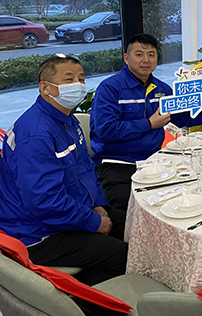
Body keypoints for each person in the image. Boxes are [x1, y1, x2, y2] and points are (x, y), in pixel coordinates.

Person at [0, 54, 127, 285]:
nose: (77, 85)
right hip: (38, 231)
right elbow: (44, 202)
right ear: (45, 88)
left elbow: (85, 168)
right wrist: (93, 222)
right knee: (123, 256)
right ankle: (76, 298)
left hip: (71, 211)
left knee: (135, 227)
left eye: (81, 79)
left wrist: (97, 204)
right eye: (69, 79)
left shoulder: (65, 118)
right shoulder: (36, 134)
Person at [91, 34, 202, 211]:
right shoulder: (109, 88)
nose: (146, 60)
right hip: (118, 164)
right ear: (126, 58)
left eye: (151, 55)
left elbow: (182, 118)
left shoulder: (163, 89)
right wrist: (149, 124)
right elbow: (106, 130)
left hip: (155, 161)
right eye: (139, 54)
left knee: (189, 194)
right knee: (127, 206)